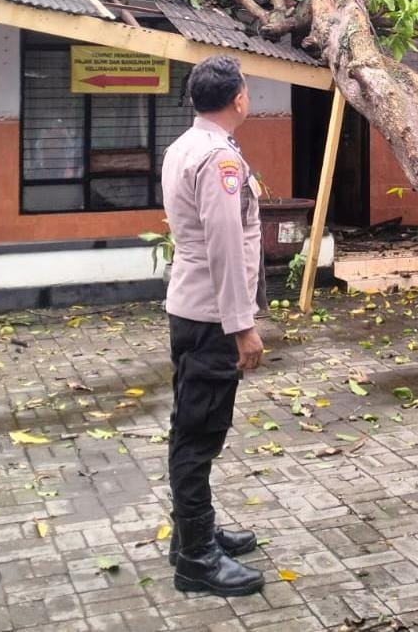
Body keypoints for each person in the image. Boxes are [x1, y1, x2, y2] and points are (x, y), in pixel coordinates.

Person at [161, 55, 267, 597]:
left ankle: (192, 535)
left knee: (193, 425)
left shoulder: (185, 146)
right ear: (238, 98)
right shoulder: (218, 159)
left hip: (192, 308)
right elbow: (226, 245)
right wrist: (241, 326)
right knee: (199, 435)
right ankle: (196, 560)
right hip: (210, 318)